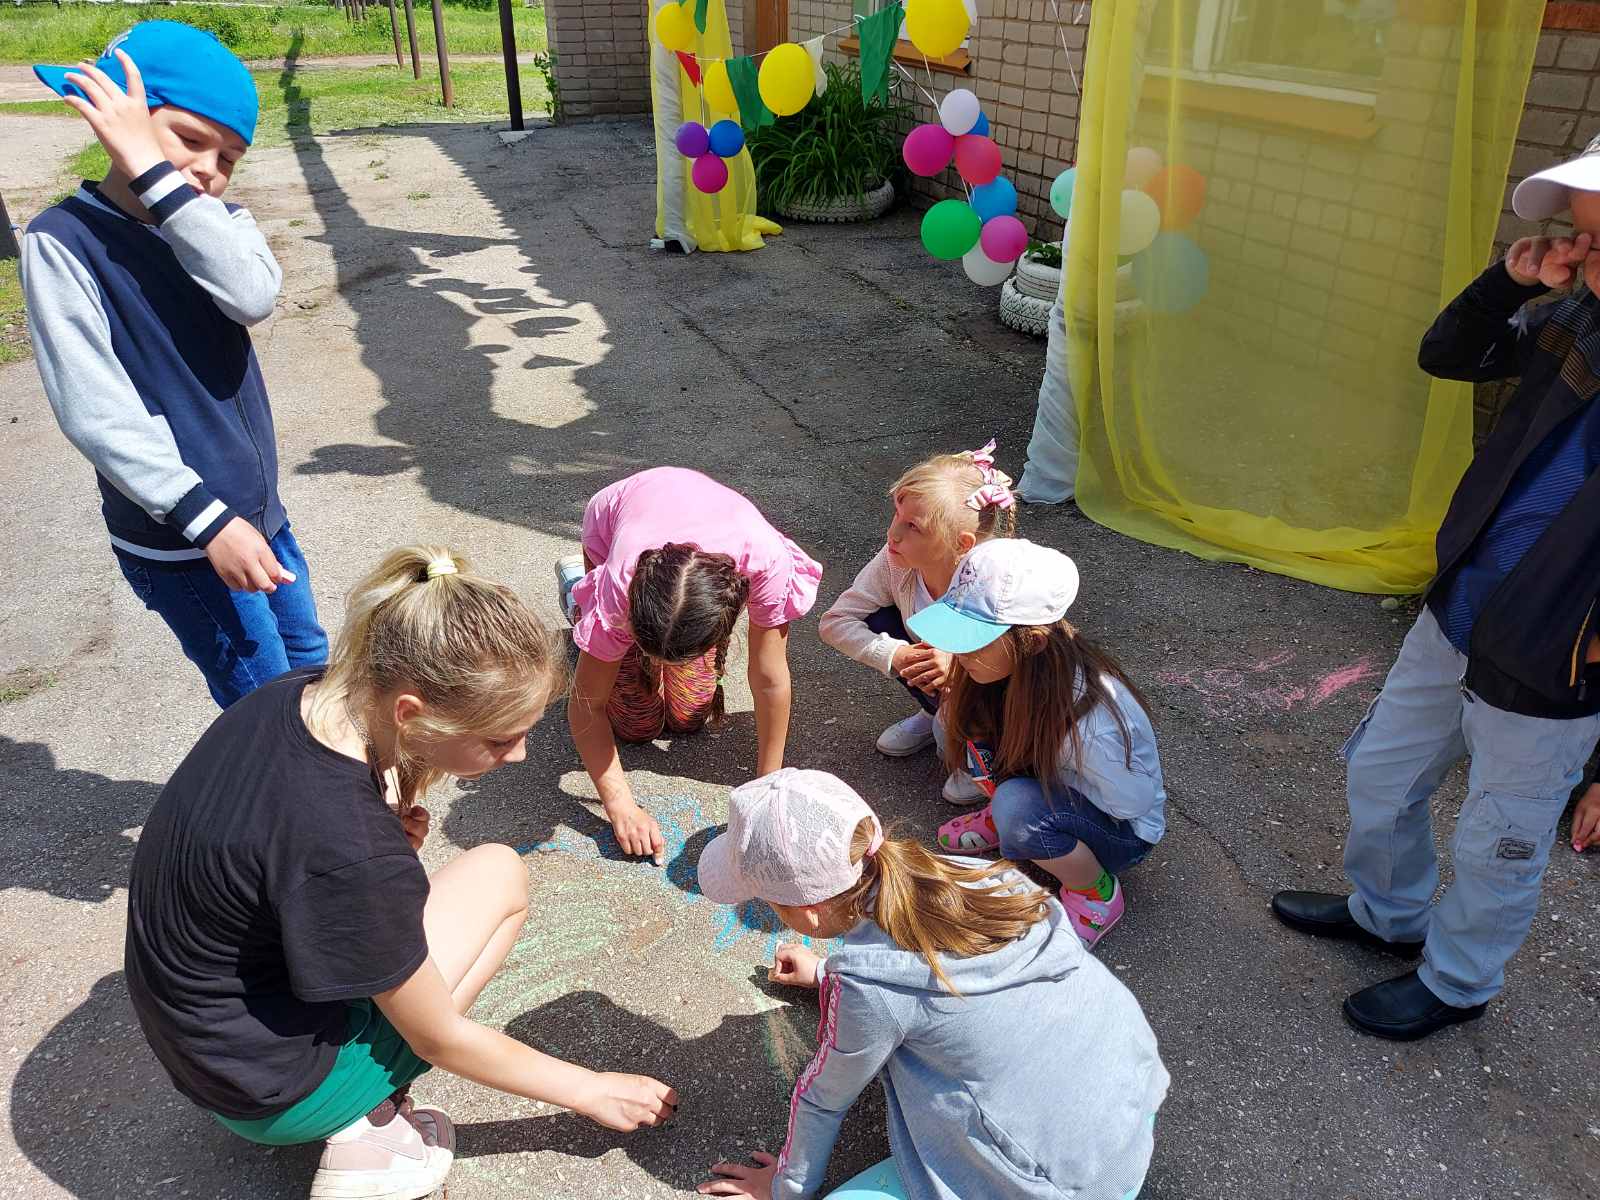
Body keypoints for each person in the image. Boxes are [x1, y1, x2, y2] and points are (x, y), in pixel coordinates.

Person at [125, 546, 678, 1200]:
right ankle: (369, 1135)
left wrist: (380, 856)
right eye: (500, 739)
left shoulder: (297, 693)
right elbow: (439, 1035)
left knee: (471, 889)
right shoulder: (350, 846)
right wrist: (589, 1089)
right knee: (501, 878)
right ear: (411, 712)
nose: (519, 755)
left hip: (203, 1043)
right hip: (268, 1095)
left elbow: (286, 861)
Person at [1271, 144, 1600, 1041]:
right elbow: (1446, 354)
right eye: (1582, 234)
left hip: (1554, 663)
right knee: (1380, 773)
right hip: (1460, 609)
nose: (1583, 255)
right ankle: (1388, 917)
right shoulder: (1575, 319)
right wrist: (1508, 281)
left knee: (1499, 839)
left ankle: (1457, 982)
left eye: (1599, 240)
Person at [22, 21, 326, 707]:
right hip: (187, 540)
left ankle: (328, 802)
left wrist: (166, 184)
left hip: (263, 519)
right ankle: (283, 813)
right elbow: (94, 412)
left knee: (312, 666)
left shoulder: (219, 225)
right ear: (116, 118)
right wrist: (207, 520)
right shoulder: (62, 242)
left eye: (229, 158)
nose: (207, 172)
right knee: (268, 709)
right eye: (189, 140)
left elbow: (251, 295)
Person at [694, 768, 1167, 1200]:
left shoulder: (866, 988)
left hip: (1060, 1185)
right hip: (1130, 1105)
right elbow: (932, 977)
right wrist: (821, 972)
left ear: (807, 913)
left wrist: (785, 1188)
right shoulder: (974, 874)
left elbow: (822, 1098)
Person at [907, 539, 1166, 947]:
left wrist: (1040, 797)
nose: (957, 649)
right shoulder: (1008, 674)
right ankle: (1017, 814)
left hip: (1121, 831)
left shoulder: (1091, 723)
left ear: (1035, 641)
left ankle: (1094, 892)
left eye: (974, 638)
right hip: (1055, 787)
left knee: (1017, 807)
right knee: (968, 736)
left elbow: (1131, 806)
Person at [560, 467, 822, 863]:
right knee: (636, 725)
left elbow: (770, 679)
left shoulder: (766, 561)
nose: (651, 660)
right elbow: (586, 704)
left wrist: (767, 785)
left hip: (706, 549)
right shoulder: (619, 585)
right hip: (617, 517)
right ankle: (577, 595)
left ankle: (622, 633)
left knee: (688, 717)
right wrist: (621, 808)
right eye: (646, 646)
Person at [818, 439, 1017, 802]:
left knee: (963, 755)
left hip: (997, 694)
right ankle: (936, 713)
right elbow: (835, 621)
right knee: (878, 617)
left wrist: (957, 665)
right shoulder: (895, 560)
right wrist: (895, 655)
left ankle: (983, 752)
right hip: (941, 680)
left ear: (962, 543)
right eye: (897, 514)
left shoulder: (995, 578)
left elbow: (1017, 660)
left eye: (914, 526)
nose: (893, 534)